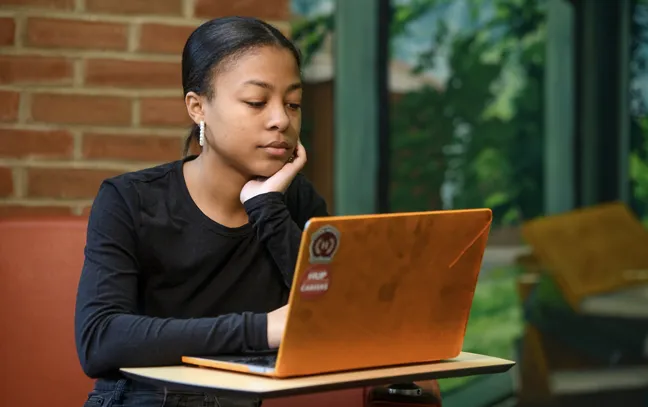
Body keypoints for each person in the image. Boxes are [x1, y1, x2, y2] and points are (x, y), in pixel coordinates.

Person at [75, 15, 442, 407]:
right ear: (198, 107)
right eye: (256, 102)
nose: (281, 120)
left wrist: (266, 208)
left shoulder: (294, 203)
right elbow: (100, 339)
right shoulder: (129, 200)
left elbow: (341, 319)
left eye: (293, 103)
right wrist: (262, 329)